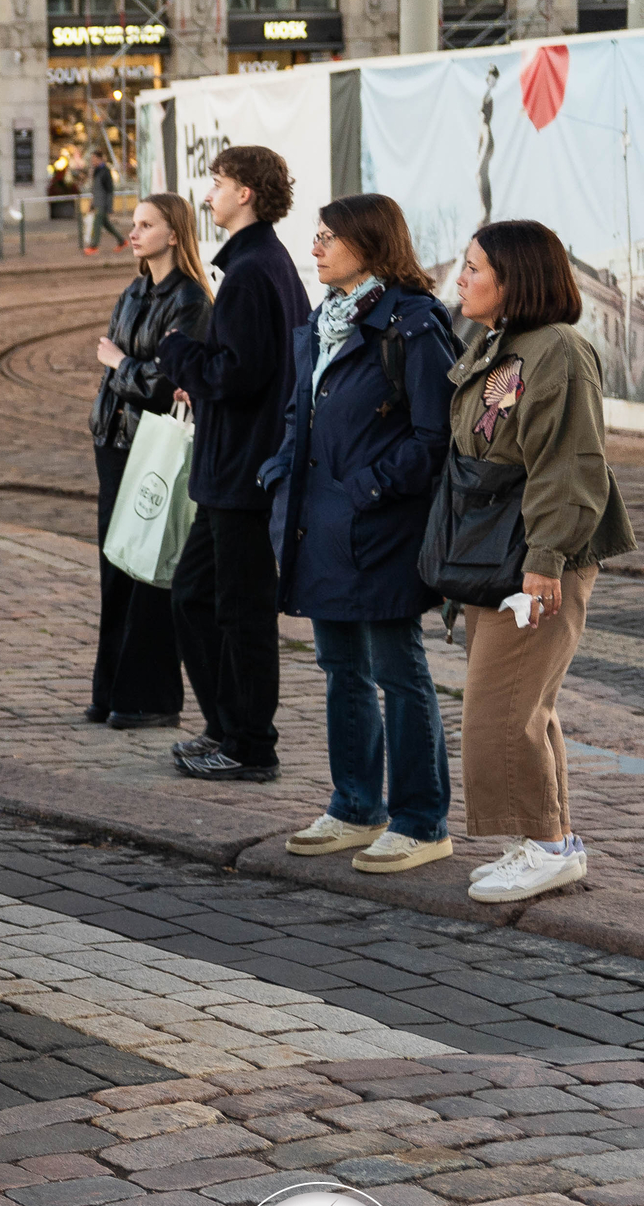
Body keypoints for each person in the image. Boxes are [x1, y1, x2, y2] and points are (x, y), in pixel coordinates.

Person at [263, 195, 462, 872]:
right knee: (340, 668)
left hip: (378, 528)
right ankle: (354, 804)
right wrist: (280, 472)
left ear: (369, 244)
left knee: (397, 671)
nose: (314, 248)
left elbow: (436, 436)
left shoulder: (411, 324)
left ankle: (421, 818)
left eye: (328, 238)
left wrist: (366, 487)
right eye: (315, 236)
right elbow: (303, 412)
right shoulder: (324, 319)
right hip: (318, 524)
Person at [448, 221, 636, 902]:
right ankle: (545, 840)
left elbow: (571, 464)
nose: (462, 278)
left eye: (474, 268)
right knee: (527, 704)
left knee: (504, 707)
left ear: (514, 279)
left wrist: (545, 559)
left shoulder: (557, 350)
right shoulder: (505, 345)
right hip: (504, 550)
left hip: (534, 554)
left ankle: (548, 848)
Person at [155, 145, 310, 781]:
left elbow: (241, 374)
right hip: (234, 467)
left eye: (217, 183)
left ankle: (251, 745)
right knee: (195, 593)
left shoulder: (251, 272)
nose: (209, 194)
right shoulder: (257, 264)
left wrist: (179, 356)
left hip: (242, 469)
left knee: (241, 611)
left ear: (245, 193)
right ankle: (228, 726)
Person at [87, 192, 211, 729]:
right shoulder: (134, 291)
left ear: (175, 234)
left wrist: (117, 364)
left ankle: (150, 697)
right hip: (112, 443)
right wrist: (123, 374)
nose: (134, 233)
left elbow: (168, 385)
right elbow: (145, 372)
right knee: (116, 565)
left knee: (150, 566)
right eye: (134, 224)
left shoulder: (191, 302)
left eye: (146, 225)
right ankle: (113, 688)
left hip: (151, 445)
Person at [87, 149, 127, 252]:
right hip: (97, 202)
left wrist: (109, 207)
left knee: (97, 224)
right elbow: (94, 190)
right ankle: (122, 241)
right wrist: (92, 204)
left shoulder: (105, 171)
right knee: (106, 224)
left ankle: (94, 246)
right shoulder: (96, 171)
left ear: (100, 159)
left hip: (103, 204)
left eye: (94, 159)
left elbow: (109, 191)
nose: (92, 161)